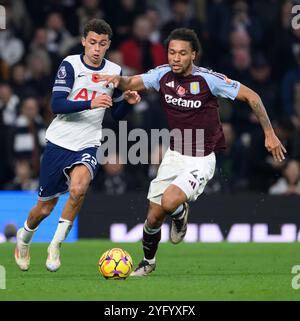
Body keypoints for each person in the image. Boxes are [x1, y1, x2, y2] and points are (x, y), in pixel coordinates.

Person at [99, 28, 286, 276]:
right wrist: (118, 81)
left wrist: (269, 133)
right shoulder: (162, 75)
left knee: (169, 202)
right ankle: (148, 262)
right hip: (174, 155)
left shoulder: (209, 80)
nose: (175, 58)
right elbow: (133, 82)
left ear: (193, 55)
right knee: (153, 217)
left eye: (182, 53)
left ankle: (180, 212)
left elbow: (252, 97)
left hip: (201, 159)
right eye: (171, 52)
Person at [14, 18, 141, 272]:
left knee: (79, 189)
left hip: (88, 142)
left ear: (108, 46)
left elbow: (115, 114)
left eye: (102, 44)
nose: (96, 48)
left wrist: (127, 101)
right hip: (59, 142)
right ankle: (24, 239)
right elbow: (56, 105)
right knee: (44, 208)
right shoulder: (70, 65)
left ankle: (55, 246)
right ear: (84, 41)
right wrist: (91, 102)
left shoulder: (114, 71)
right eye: (92, 42)